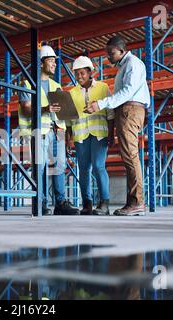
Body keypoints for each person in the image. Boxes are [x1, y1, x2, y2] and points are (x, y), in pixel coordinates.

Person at [85, 36, 150, 216]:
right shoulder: (125, 65)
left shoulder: (133, 64)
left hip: (130, 109)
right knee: (129, 155)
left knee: (131, 155)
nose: (108, 57)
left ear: (122, 50)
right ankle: (132, 202)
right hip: (127, 110)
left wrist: (101, 103)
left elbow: (127, 91)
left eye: (111, 53)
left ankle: (137, 202)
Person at [19, 45, 79, 216]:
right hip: (40, 132)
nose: (54, 65)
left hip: (57, 131)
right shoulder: (28, 83)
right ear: (41, 63)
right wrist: (45, 108)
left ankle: (60, 203)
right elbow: (26, 109)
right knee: (42, 166)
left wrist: (68, 135)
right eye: (51, 61)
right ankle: (41, 202)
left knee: (59, 166)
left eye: (54, 62)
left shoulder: (56, 85)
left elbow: (64, 113)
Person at [66, 56, 114, 215]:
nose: (79, 77)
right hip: (80, 136)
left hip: (99, 134)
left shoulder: (102, 87)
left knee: (99, 166)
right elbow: (69, 118)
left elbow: (110, 113)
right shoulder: (72, 93)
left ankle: (104, 203)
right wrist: (68, 139)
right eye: (76, 74)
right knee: (84, 169)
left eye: (82, 73)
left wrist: (112, 133)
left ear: (89, 72)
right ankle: (87, 204)